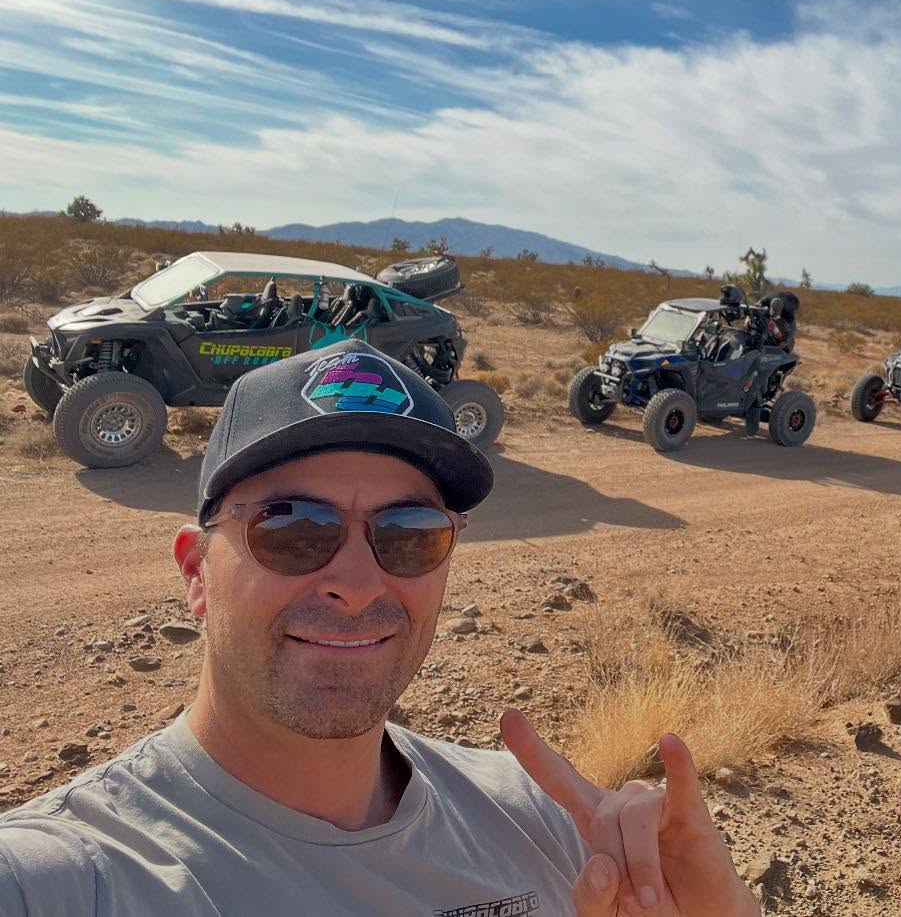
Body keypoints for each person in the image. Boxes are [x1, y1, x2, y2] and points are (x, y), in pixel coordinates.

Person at [0, 340, 759, 917]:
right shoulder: (69, 879)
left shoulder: (547, 827)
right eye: (293, 526)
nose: (358, 582)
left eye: (409, 532)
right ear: (196, 571)